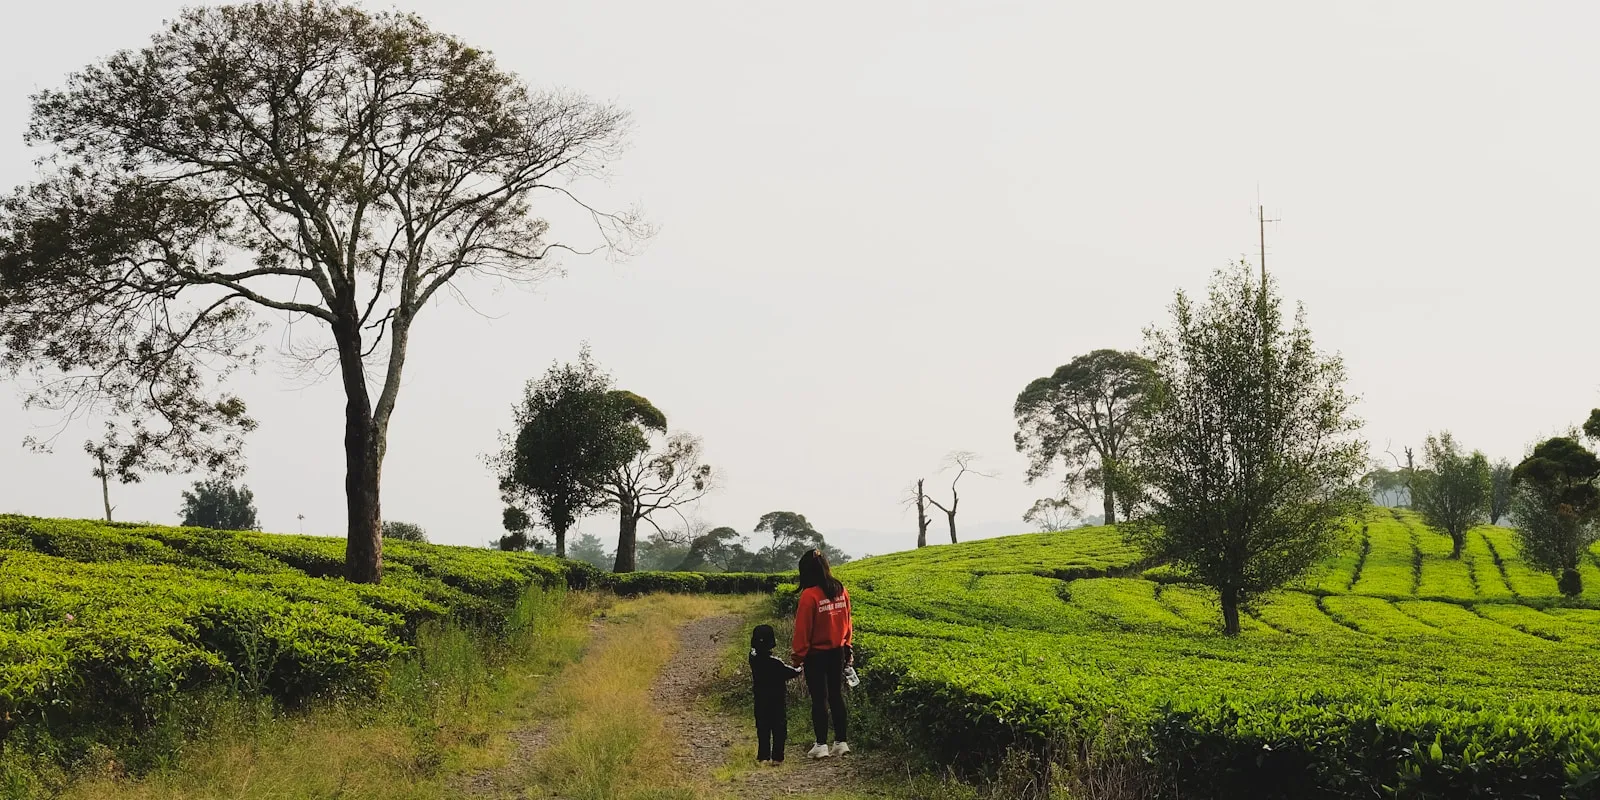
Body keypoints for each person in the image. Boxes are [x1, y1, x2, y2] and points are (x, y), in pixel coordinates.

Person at [792, 548, 853, 759]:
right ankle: (841, 742)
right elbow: (848, 622)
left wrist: (798, 657)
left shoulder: (809, 596)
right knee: (836, 696)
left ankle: (820, 745)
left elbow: (802, 630)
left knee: (819, 699)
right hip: (838, 652)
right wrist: (847, 645)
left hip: (816, 655)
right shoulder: (840, 590)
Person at [749, 623, 802, 765]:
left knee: (762, 728)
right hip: (777, 700)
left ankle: (763, 756)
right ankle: (777, 757)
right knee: (779, 728)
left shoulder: (753, 657)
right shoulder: (775, 663)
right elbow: (791, 672)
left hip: (760, 699)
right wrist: (800, 666)